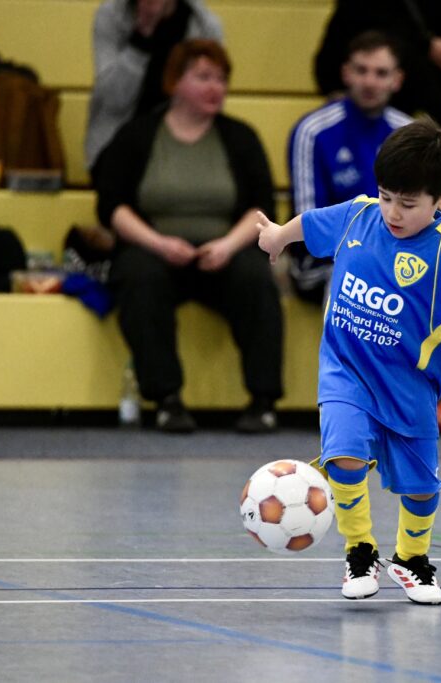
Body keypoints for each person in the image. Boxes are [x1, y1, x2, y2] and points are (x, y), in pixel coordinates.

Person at [256, 119, 441, 604]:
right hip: (346, 372)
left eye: (408, 203)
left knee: (421, 488)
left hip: (409, 388)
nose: (393, 212)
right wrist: (278, 237)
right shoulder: (359, 217)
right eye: (386, 197)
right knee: (344, 455)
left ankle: (411, 558)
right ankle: (359, 549)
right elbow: (311, 224)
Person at [96, 39, 283, 433]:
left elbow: (262, 207)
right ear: (175, 82)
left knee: (255, 277)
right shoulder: (138, 134)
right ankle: (167, 400)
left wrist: (227, 246)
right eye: (203, 77)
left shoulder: (240, 137)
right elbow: (111, 206)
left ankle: (263, 401)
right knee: (139, 277)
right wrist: (159, 244)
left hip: (224, 250)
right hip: (156, 249)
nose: (216, 87)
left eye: (221, 79)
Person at [286, 30, 413, 304]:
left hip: (392, 254)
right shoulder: (313, 131)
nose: (369, 82)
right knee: (354, 273)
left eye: (381, 73)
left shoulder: (409, 134)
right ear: (346, 74)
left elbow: (421, 212)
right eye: (361, 70)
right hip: (320, 261)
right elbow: (309, 225)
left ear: (397, 80)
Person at [85, 0, 223, 177]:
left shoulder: (204, 25)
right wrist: (142, 35)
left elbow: (207, 105)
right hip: (117, 147)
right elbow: (114, 100)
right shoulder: (112, 15)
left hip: (182, 148)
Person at [313, 0, 441, 126]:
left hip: (419, 101)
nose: (370, 82)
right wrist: (426, 45)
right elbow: (330, 56)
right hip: (354, 106)